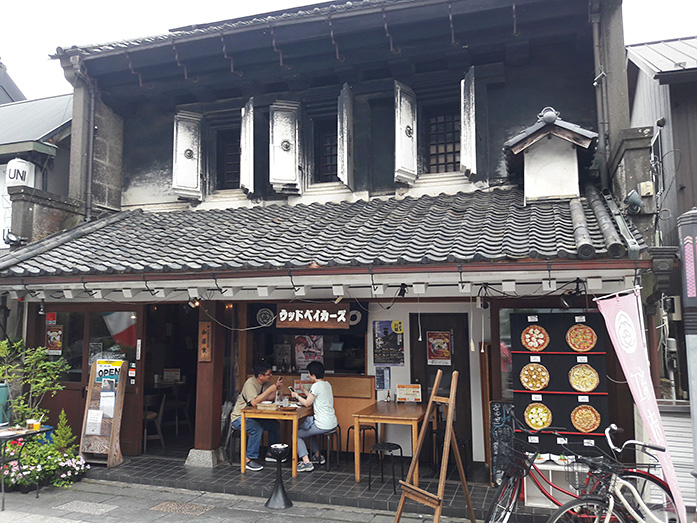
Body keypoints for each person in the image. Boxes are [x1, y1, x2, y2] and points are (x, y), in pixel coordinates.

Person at [230, 361, 282, 471]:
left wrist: (276, 388)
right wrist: (269, 390)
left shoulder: (265, 383)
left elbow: (270, 398)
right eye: (268, 374)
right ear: (260, 376)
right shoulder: (251, 383)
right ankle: (248, 459)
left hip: (254, 416)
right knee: (256, 428)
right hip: (239, 417)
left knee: (274, 425)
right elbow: (254, 402)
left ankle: (271, 453)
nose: (271, 376)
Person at [290, 361, 337, 472]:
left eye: (309, 374)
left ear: (313, 375)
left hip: (322, 424)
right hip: (332, 422)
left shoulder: (316, 385)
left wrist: (296, 396)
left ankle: (306, 462)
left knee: (296, 435)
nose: (309, 375)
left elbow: (307, 403)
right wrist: (304, 390)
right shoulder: (326, 384)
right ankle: (317, 455)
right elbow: (313, 397)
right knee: (308, 431)